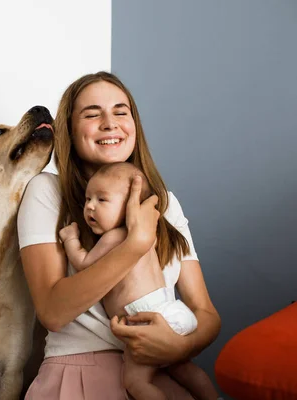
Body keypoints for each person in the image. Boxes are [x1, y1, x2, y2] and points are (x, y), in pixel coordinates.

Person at [18, 71, 221, 399]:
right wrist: (135, 244)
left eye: (120, 111)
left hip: (161, 367)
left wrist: (178, 347)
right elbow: (53, 312)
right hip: (79, 372)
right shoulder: (47, 191)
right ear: (69, 129)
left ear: (134, 125)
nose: (109, 123)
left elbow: (206, 313)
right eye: (92, 113)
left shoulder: (164, 203)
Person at [59, 162, 219, 400]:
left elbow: (84, 263)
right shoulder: (150, 235)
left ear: (129, 207)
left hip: (145, 319)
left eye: (102, 200)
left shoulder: (115, 237)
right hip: (172, 311)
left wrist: (70, 238)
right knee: (183, 369)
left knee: (134, 382)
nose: (90, 206)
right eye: (88, 199)